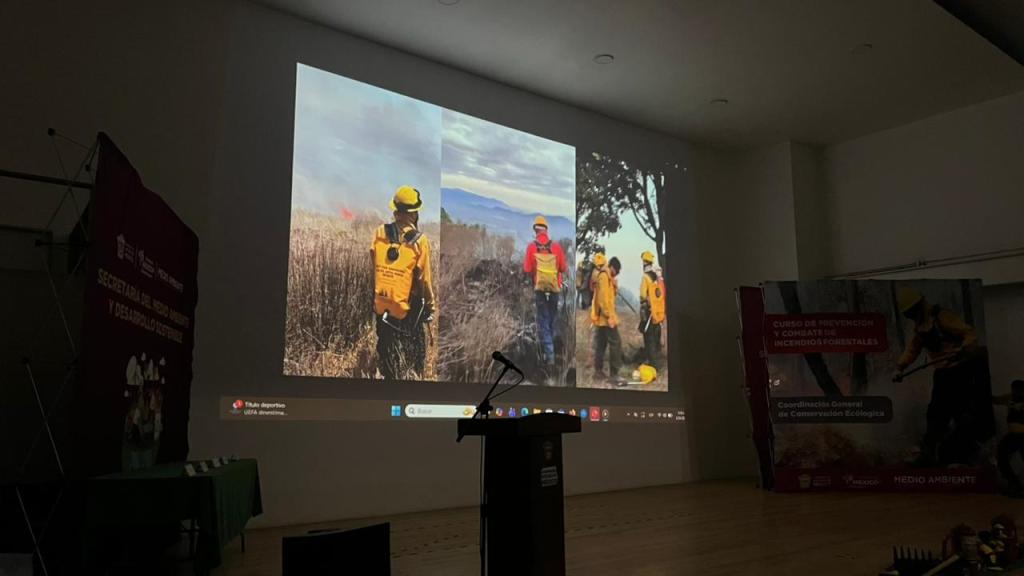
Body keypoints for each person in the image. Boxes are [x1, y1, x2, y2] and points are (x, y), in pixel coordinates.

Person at [893, 286, 995, 466]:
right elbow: (912, 350)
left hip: (961, 370)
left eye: (911, 312)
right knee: (935, 414)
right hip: (942, 373)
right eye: (908, 315)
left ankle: (967, 452)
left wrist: (964, 348)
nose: (911, 317)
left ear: (919, 306)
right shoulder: (920, 329)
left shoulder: (943, 317)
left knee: (961, 412)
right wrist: (900, 367)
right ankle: (930, 453)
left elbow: (969, 333)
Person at [371, 185, 435, 380]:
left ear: (395, 210)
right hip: (407, 307)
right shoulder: (419, 241)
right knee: (414, 350)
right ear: (414, 213)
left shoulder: (379, 232)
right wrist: (430, 306)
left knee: (385, 346)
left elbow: (374, 264)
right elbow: (424, 279)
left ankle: (387, 375)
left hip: (382, 302)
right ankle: (413, 377)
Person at [523, 215, 566, 366]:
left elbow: (527, 269)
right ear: (546, 230)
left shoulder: (531, 247)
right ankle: (556, 350)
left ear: (535, 230)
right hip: (554, 289)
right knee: (552, 320)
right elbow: (563, 268)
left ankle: (550, 357)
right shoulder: (556, 247)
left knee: (543, 321)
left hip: (540, 289)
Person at [591, 253, 625, 386]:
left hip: (602, 318)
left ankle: (598, 372)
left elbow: (610, 297)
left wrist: (615, 286)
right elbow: (604, 300)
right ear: (612, 267)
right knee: (616, 343)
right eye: (616, 271)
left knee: (601, 344)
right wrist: (610, 317)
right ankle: (614, 375)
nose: (616, 274)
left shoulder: (607, 277)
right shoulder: (604, 276)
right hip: (606, 318)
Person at [993, 380, 1024, 495]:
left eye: (1019, 390)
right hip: (1013, 435)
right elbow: (996, 400)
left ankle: (1016, 485)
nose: (1016, 393)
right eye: (1015, 390)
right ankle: (1014, 484)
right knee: (1001, 454)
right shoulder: (1010, 398)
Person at [637, 250, 666, 369]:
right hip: (656, 312)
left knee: (648, 338)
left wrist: (643, 301)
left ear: (644, 262)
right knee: (654, 337)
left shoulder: (645, 277)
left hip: (648, 311)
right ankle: (654, 359)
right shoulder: (657, 277)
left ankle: (653, 365)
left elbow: (643, 295)